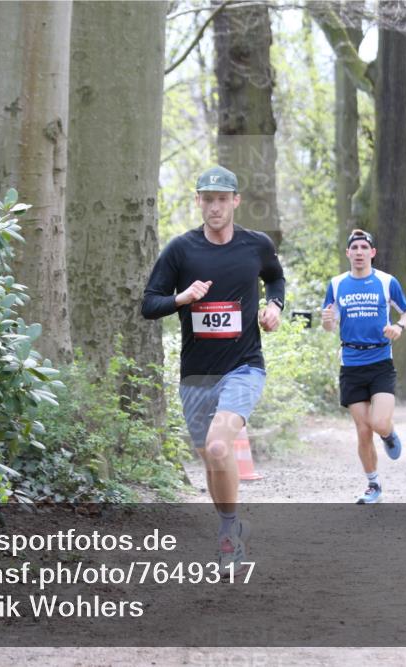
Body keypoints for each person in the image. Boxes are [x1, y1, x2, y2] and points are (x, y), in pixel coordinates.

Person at [141, 165, 285, 574]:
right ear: (198, 202)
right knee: (210, 458)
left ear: (236, 201)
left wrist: (274, 306)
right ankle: (232, 524)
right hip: (196, 374)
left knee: (222, 447)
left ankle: (227, 539)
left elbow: (276, 280)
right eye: (208, 199)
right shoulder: (180, 251)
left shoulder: (256, 245)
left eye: (223, 199)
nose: (215, 206)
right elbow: (149, 304)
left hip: (244, 367)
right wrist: (182, 298)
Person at [321, 229, 406, 504]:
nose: (359, 252)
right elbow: (329, 325)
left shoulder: (386, 282)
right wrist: (327, 320)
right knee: (362, 430)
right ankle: (373, 485)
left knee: (378, 423)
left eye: (364, 247)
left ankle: (388, 434)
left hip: (380, 361)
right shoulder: (337, 284)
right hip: (351, 364)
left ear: (372, 253)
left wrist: (398, 326)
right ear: (348, 253)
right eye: (355, 248)